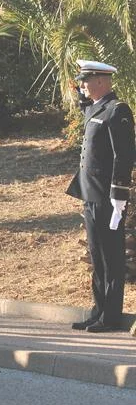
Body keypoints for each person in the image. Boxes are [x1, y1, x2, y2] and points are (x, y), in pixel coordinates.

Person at [67, 60, 133, 333]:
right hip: (91, 193)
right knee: (97, 257)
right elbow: (84, 106)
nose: (82, 84)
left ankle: (111, 317)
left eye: (86, 80)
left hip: (108, 197)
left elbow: (124, 155)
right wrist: (80, 94)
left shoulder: (118, 110)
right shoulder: (96, 108)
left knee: (111, 257)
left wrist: (119, 194)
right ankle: (98, 311)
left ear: (101, 81)